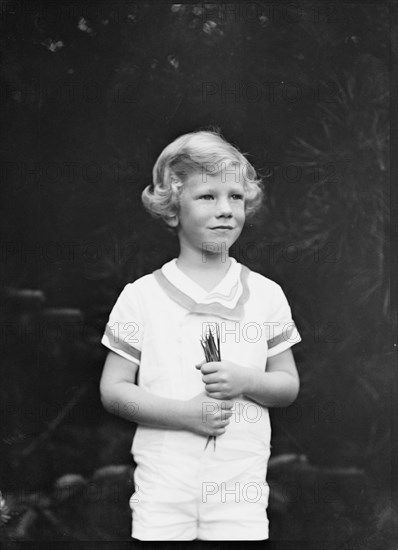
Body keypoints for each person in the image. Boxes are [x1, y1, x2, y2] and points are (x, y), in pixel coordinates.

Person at [99, 129, 302, 541]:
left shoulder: (266, 295)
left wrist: (247, 380)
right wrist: (186, 415)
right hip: (164, 486)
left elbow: (287, 385)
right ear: (172, 208)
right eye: (207, 196)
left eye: (236, 197)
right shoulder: (141, 297)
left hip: (238, 489)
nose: (225, 209)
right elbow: (114, 389)